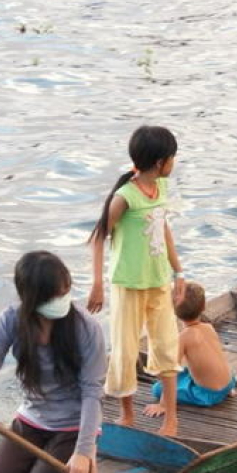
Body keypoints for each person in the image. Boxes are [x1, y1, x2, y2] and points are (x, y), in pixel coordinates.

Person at [0, 251, 106, 473]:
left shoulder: (86, 327)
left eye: (64, 293)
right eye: (53, 296)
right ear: (31, 297)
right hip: (32, 419)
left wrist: (83, 450)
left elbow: (93, 392)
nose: (61, 301)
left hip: (72, 425)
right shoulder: (11, 319)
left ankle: (88, 456)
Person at [88, 125, 185, 438]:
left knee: (167, 347)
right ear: (159, 162)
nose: (174, 163)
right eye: (172, 158)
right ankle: (127, 415)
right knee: (126, 350)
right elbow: (98, 238)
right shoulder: (125, 197)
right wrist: (98, 284)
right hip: (128, 284)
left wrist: (178, 271)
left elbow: (163, 229)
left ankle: (171, 418)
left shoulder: (161, 190)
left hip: (158, 281)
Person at [144, 281, 236, 418]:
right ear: (203, 306)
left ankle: (210, 393)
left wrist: (163, 404)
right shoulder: (208, 327)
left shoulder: (184, 337)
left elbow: (171, 372)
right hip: (229, 382)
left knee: (157, 388)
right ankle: (226, 391)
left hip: (207, 395)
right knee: (188, 372)